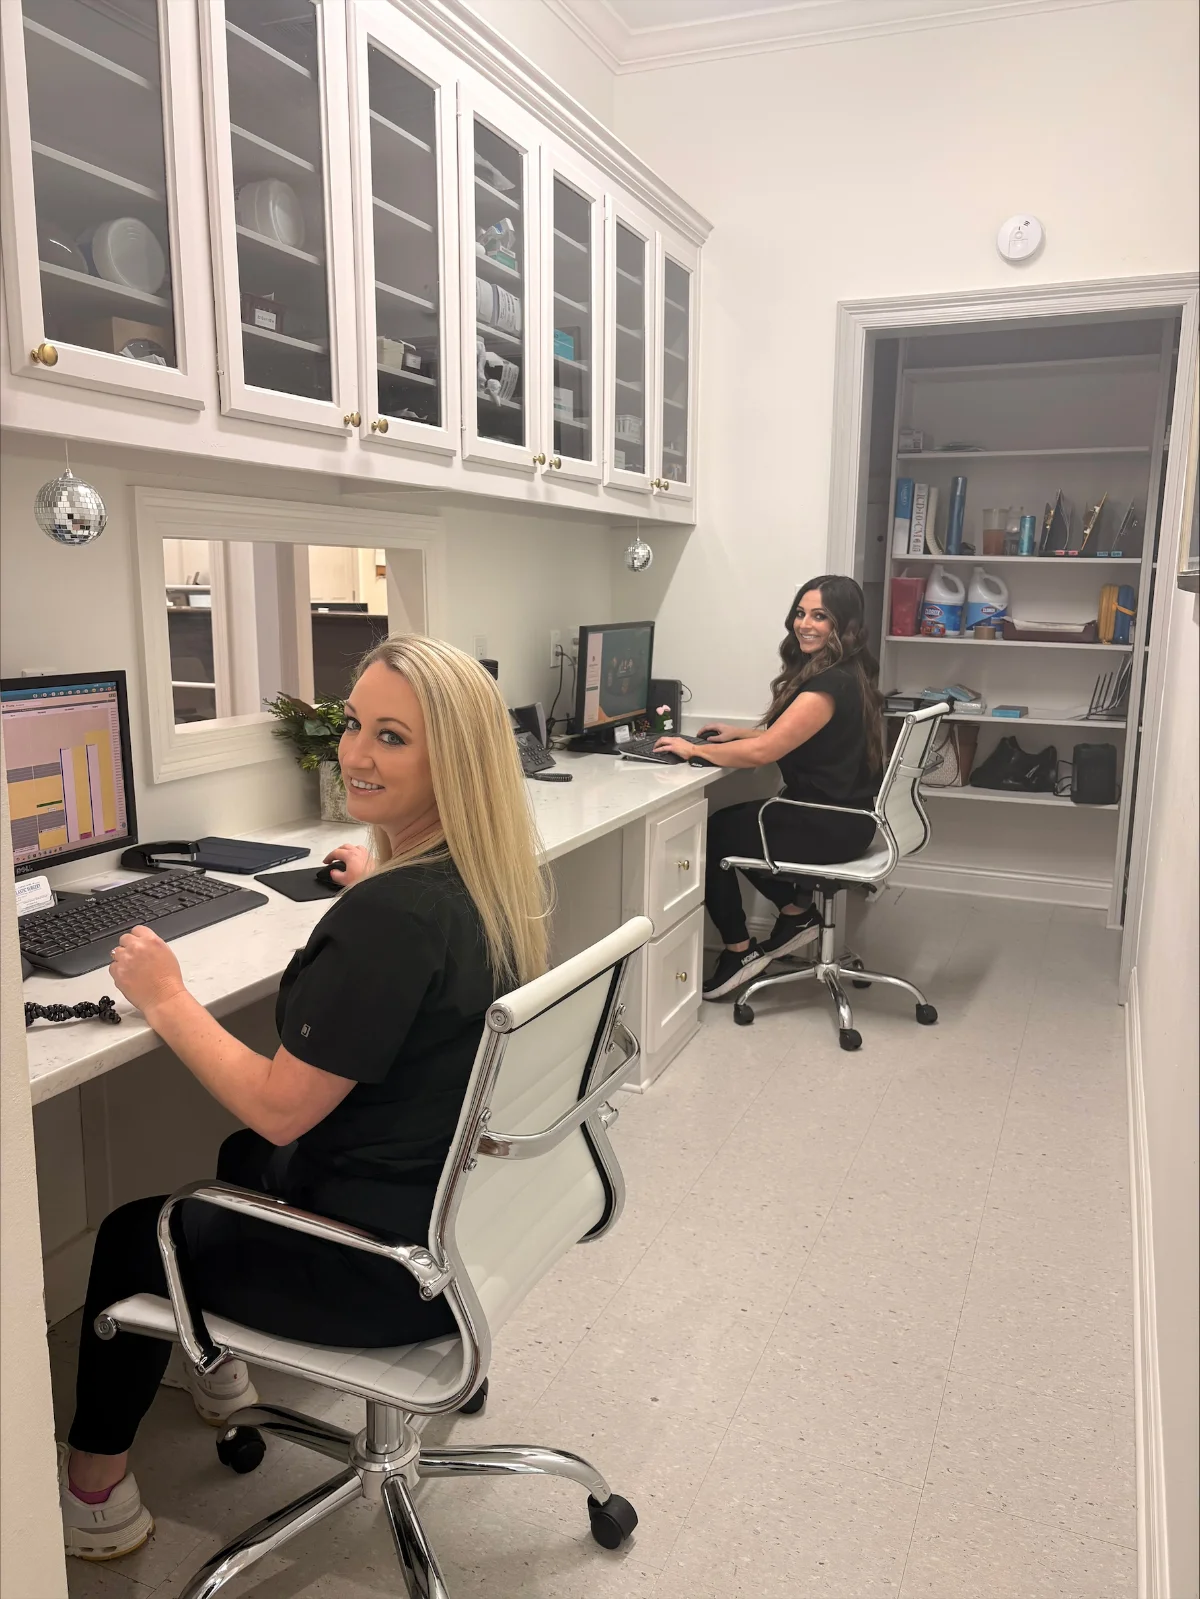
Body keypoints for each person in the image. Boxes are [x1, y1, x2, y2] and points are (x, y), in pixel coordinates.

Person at [59, 635, 549, 1562]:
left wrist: (164, 995)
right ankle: (221, 1373)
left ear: (458, 760)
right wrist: (378, 882)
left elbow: (280, 1107)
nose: (355, 753)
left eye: (393, 737)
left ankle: (93, 1497)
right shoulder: (485, 882)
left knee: (133, 1234)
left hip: (386, 1273)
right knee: (243, 1167)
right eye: (355, 724)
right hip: (457, 1232)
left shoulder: (396, 921)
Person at [654, 575, 884, 1001]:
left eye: (820, 616)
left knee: (714, 834)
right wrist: (739, 734)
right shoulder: (849, 672)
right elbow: (789, 738)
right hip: (849, 818)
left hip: (829, 824)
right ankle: (796, 914)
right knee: (734, 823)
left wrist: (692, 750)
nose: (804, 624)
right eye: (800, 613)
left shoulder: (827, 685)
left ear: (843, 625)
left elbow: (766, 753)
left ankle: (739, 950)